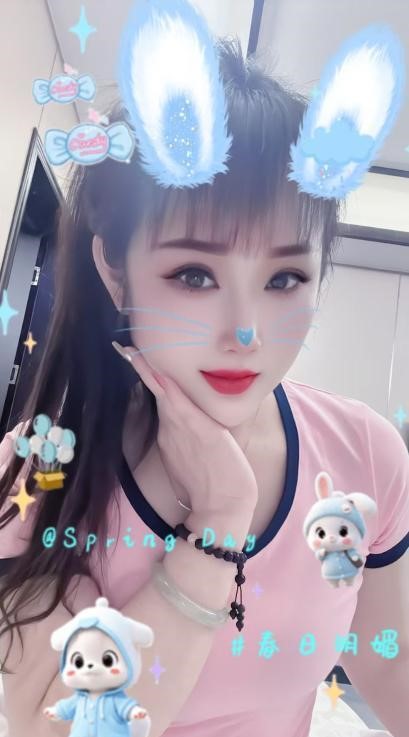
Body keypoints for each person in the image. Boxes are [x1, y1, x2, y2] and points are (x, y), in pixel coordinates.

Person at [0, 38, 408, 737]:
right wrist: (216, 522)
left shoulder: (362, 453)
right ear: (116, 271)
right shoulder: (39, 472)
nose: (246, 332)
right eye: (194, 275)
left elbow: (390, 665)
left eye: (284, 278)